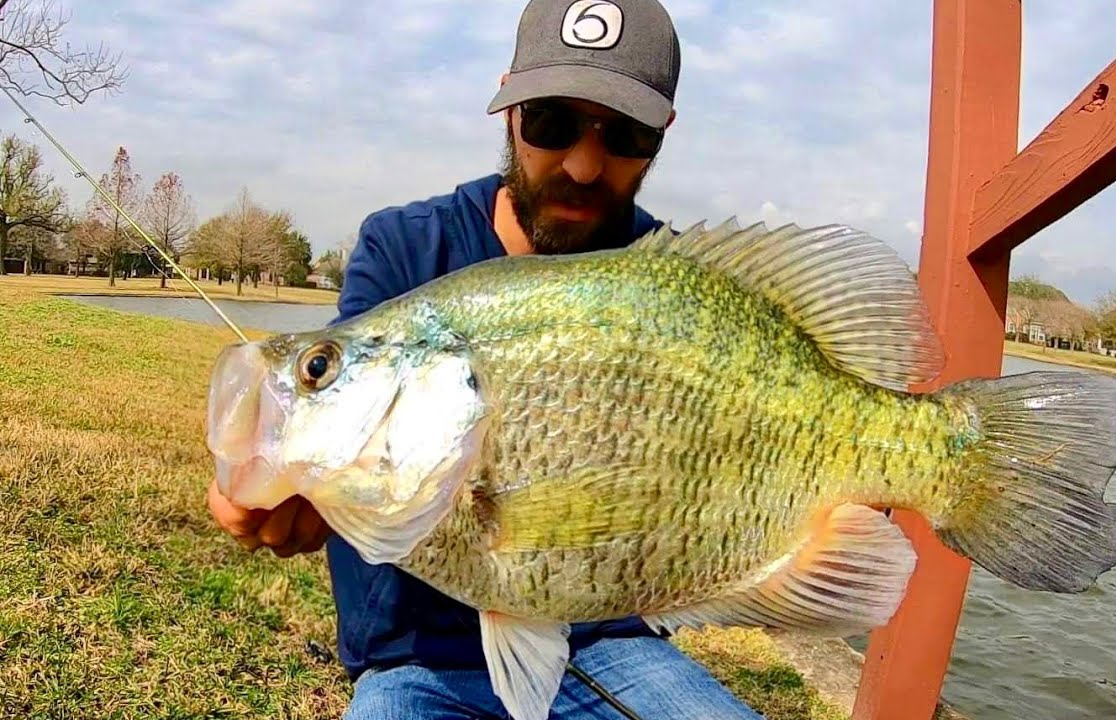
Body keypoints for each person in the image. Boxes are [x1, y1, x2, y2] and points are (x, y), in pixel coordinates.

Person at [206, 0, 765, 717]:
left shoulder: (681, 283)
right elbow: (357, 442)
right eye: (552, 123)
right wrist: (299, 490)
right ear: (509, 108)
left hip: (612, 643)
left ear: (663, 133)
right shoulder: (405, 248)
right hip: (419, 662)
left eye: (625, 134)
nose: (584, 164)